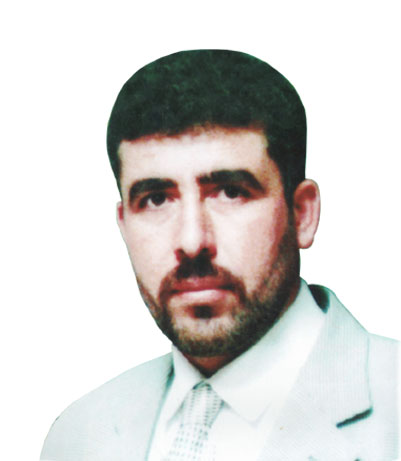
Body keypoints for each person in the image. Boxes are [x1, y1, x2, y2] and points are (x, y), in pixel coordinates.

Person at [40, 50, 398, 461]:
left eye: (231, 192)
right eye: (156, 199)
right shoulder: (78, 436)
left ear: (302, 214)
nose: (192, 241)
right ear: (124, 225)